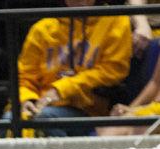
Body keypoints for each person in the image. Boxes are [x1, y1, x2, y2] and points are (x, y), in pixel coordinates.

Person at [7, 0, 132, 137]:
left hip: (88, 109)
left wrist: (61, 90)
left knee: (45, 120)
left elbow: (113, 71)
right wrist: (27, 100)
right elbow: (24, 77)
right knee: (9, 120)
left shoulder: (116, 20)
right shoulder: (42, 28)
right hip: (40, 104)